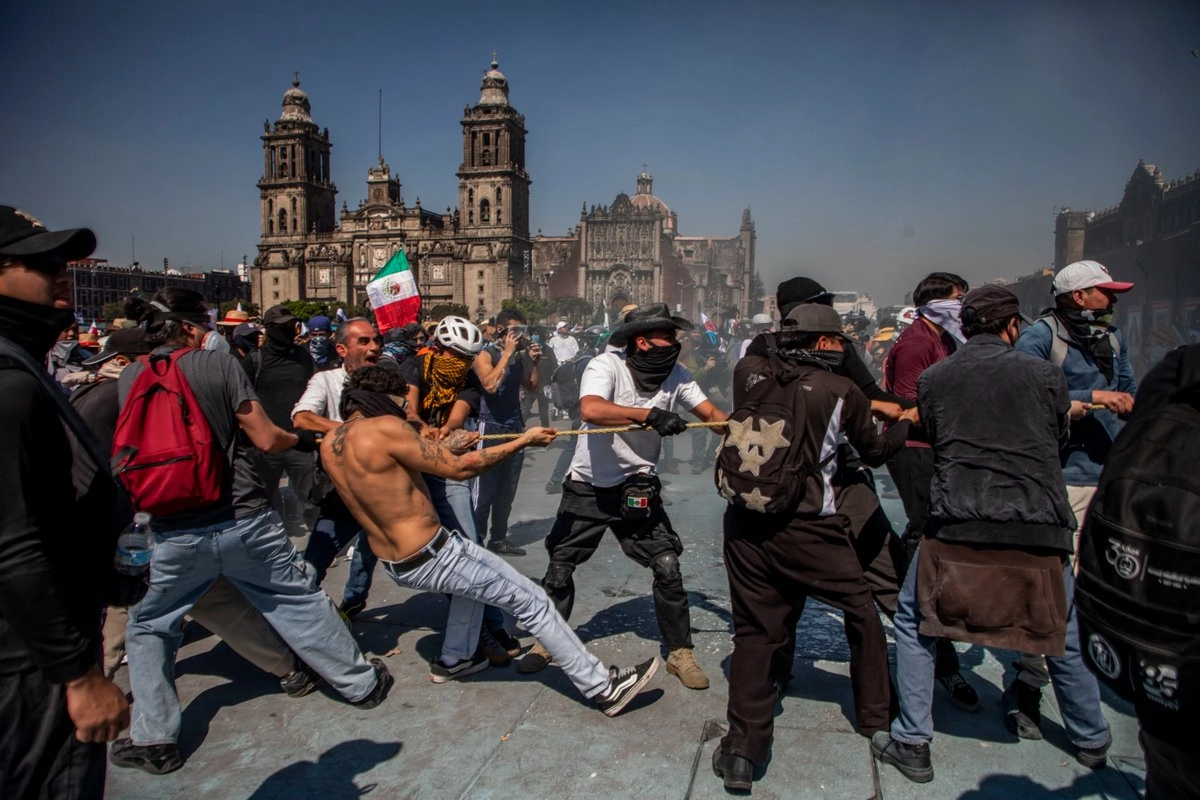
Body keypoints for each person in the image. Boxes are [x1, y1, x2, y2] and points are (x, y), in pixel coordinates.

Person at [111, 291, 390, 776]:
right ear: (196, 329)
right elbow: (264, 436)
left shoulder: (132, 375)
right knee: (294, 599)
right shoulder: (215, 365)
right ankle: (360, 684)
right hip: (241, 515)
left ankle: (154, 739)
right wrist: (298, 438)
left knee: (151, 625)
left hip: (172, 526)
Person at [872, 286, 1110, 784]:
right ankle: (1091, 738)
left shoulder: (937, 378)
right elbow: (1056, 437)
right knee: (1060, 630)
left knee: (916, 624)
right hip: (1038, 525)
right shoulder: (1046, 375)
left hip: (957, 519)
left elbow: (934, 434)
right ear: (1011, 327)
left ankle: (913, 741)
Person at [321, 365, 660, 712]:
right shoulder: (386, 428)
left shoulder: (331, 442)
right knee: (534, 602)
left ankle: (455, 659)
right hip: (433, 554)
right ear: (387, 400)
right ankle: (602, 687)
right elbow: (461, 469)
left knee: (473, 588)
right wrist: (523, 440)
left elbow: (399, 468)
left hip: (397, 564)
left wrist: (446, 444)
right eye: (402, 405)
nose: (407, 413)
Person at [713, 303, 912, 793]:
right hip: (810, 527)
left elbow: (763, 355)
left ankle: (742, 749)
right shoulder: (841, 391)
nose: (844, 348)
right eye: (839, 341)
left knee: (755, 632)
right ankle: (876, 718)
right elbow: (873, 453)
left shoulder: (748, 375)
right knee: (862, 613)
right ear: (824, 345)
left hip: (744, 521)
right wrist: (905, 423)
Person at [70, 326, 315, 697]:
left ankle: (119, 701)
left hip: (125, 520)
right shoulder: (127, 396)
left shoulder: (102, 393)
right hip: (150, 520)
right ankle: (299, 669)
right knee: (186, 605)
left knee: (147, 611)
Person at [519, 304, 728, 691]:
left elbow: (711, 412)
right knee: (560, 568)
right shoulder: (606, 366)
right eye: (669, 336)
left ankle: (680, 652)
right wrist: (648, 416)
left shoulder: (677, 374)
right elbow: (591, 409)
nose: (677, 342)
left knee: (666, 565)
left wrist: (739, 432)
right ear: (644, 341)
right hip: (589, 486)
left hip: (638, 485)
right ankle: (549, 641)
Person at [0, 206, 127, 798]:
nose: (63, 276)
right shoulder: (10, 382)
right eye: (44, 263)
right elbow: (16, 546)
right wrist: (79, 675)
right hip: (34, 664)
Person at [1011, 259, 1137, 738]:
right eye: (1105, 291)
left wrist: (1115, 399)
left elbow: (1127, 387)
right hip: (1060, 471)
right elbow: (1025, 388)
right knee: (1054, 575)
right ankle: (1034, 670)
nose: (1113, 298)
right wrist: (1090, 398)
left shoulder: (1113, 338)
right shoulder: (1042, 337)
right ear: (1079, 296)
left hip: (1102, 470)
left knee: (1085, 575)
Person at [881, 272, 981, 712]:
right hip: (914, 449)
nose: (962, 306)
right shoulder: (918, 343)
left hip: (936, 446)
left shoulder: (944, 341)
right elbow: (904, 407)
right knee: (925, 531)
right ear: (934, 302)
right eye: (957, 299)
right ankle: (915, 606)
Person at [397, 317, 520, 666]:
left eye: (466, 358)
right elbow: (409, 409)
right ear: (438, 348)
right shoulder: (415, 365)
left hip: (448, 466)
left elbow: (457, 415)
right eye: (454, 354)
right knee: (424, 551)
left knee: (470, 546)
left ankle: (489, 625)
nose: (459, 363)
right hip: (412, 470)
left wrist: (446, 432)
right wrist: (422, 427)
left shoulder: (466, 377)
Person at [293, 318, 384, 617]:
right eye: (364, 342)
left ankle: (354, 599)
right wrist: (349, 430)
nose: (374, 347)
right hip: (341, 490)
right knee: (314, 561)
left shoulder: (386, 379)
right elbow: (303, 418)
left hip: (382, 487)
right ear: (342, 349)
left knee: (375, 549)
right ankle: (306, 619)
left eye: (375, 340)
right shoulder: (326, 381)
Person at [471, 308, 543, 556]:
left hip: (514, 427)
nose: (520, 336)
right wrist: (508, 354)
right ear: (501, 331)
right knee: (484, 493)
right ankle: (476, 541)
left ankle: (498, 538)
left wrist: (534, 362)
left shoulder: (517, 358)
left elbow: (532, 386)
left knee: (506, 492)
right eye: (516, 331)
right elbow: (489, 385)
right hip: (489, 428)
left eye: (523, 331)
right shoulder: (485, 354)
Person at [246, 304, 318, 536]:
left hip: (300, 442)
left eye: (291, 325)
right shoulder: (253, 361)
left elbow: (313, 391)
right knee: (263, 500)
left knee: (310, 498)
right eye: (281, 326)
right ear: (268, 329)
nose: (288, 330)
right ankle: (271, 542)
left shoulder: (303, 357)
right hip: (266, 444)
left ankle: (321, 544)